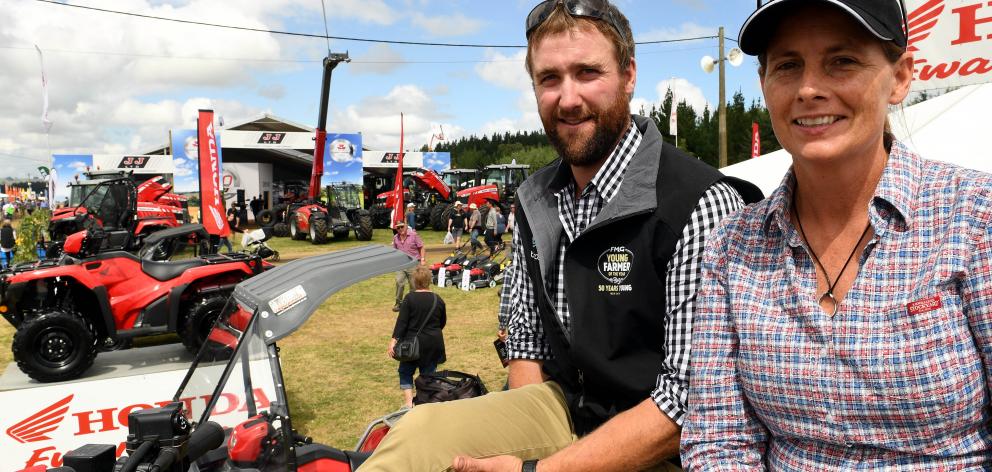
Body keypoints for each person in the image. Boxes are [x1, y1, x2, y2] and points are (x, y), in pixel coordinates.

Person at [358, 1, 758, 470]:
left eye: (588, 73)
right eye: (549, 79)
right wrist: (525, 434)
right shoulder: (535, 198)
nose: (568, 98)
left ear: (629, 75)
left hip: (662, 446)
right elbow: (527, 342)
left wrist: (540, 469)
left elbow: (689, 400)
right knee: (418, 433)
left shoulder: (699, 204)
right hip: (564, 411)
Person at [680, 1, 992, 470]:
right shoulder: (732, 245)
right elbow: (718, 440)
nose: (809, 89)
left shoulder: (974, 217)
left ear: (902, 76)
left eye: (841, 61)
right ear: (764, 84)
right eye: (788, 65)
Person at [388, 266, 447, 409]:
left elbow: (402, 323)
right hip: (432, 343)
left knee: (405, 371)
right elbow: (442, 322)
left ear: (415, 281)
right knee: (428, 375)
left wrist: (393, 341)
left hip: (411, 344)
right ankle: (424, 402)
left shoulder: (409, 299)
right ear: (429, 281)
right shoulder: (437, 299)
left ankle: (409, 404)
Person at [391, 221, 425, 312]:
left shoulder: (414, 235)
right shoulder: (395, 238)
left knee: (413, 285)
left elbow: (421, 247)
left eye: (402, 227)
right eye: (398, 228)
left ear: (406, 226)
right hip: (401, 264)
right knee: (399, 282)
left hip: (413, 263)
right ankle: (398, 303)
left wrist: (422, 259)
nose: (400, 229)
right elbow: (394, 251)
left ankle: (412, 304)